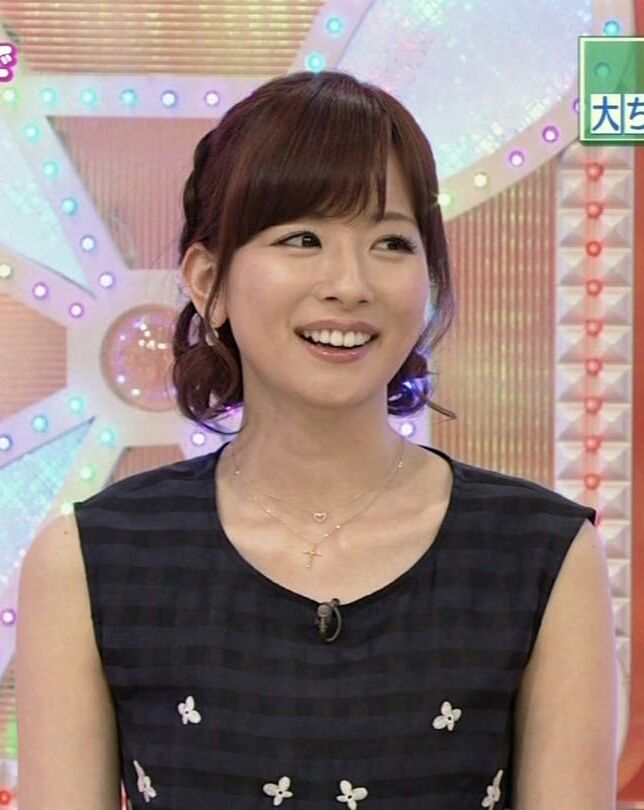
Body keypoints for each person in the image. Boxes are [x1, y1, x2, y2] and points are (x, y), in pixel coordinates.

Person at [16, 70, 618, 810]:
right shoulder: (92, 561)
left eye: (391, 242)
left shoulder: (541, 555)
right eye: (302, 238)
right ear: (209, 282)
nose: (349, 284)